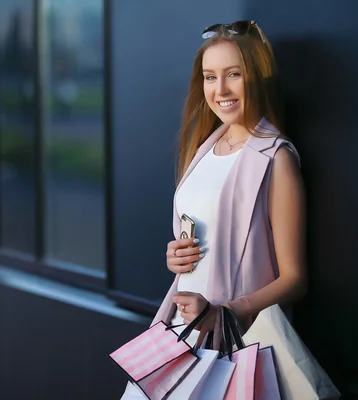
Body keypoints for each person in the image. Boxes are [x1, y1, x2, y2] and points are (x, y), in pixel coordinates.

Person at [120, 20, 307, 399]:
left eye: (233, 75)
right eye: (209, 77)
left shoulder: (275, 158)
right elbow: (202, 243)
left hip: (232, 344)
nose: (219, 90)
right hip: (180, 331)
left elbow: (295, 279)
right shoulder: (204, 150)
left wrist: (226, 311)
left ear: (256, 77)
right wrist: (178, 256)